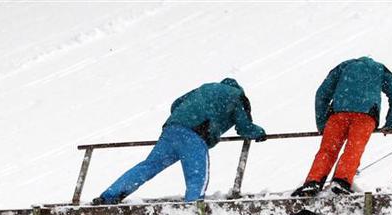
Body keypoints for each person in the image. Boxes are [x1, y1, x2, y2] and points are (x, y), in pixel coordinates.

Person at [92, 78, 266, 205]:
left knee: (148, 166)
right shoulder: (236, 96)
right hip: (194, 134)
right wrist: (259, 133)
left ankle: (109, 196)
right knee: (197, 177)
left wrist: (186, 117)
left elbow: (176, 103)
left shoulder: (204, 87)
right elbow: (244, 127)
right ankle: (194, 211)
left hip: (172, 129)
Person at [291, 57, 392, 197]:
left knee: (327, 150)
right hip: (365, 115)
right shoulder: (380, 69)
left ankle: (313, 182)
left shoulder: (343, 67)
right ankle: (341, 181)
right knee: (353, 149)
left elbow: (322, 94)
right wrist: (390, 123)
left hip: (338, 114)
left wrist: (322, 124)